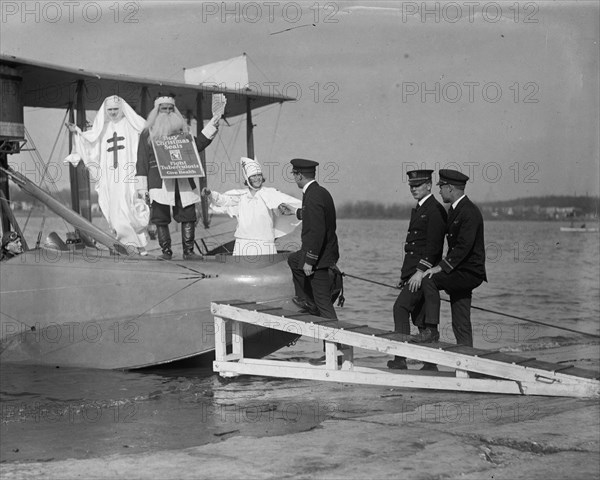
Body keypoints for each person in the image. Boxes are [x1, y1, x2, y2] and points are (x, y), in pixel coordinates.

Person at [135, 94, 222, 260]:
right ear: (157, 111)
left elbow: (199, 145)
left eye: (170, 109)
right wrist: (142, 188)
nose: (167, 112)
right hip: (158, 181)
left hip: (182, 179)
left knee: (188, 214)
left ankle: (188, 251)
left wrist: (212, 125)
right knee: (160, 217)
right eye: (163, 109)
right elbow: (142, 161)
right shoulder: (147, 133)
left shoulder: (183, 131)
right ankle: (166, 251)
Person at [65, 95, 149, 254]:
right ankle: (124, 244)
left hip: (128, 174)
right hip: (110, 176)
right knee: (113, 209)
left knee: (130, 206)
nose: (112, 112)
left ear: (122, 108)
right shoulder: (102, 129)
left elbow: (147, 131)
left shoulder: (131, 125)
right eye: (109, 109)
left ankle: (137, 244)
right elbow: (90, 144)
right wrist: (76, 131)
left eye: (115, 109)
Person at [417, 169, 487, 349]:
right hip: (460, 272)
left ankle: (431, 330)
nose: (439, 191)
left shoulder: (469, 212)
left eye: (441, 187)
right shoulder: (457, 210)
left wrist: (439, 268)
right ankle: (467, 360)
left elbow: (463, 248)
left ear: (450, 188)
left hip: (468, 272)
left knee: (429, 280)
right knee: (461, 320)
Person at [388, 170, 447, 371]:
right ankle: (430, 364)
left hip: (423, 273)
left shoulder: (435, 210)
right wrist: (406, 276)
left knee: (400, 308)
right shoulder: (422, 208)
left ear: (429, 186)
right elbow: (414, 247)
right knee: (420, 316)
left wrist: (420, 271)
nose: (413, 189)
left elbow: (434, 246)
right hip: (414, 273)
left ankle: (401, 358)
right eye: (411, 186)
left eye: (418, 185)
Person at [201, 157, 302, 256]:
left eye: (259, 175)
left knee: (265, 269)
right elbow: (223, 200)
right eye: (253, 176)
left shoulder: (270, 193)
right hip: (243, 242)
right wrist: (210, 193)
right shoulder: (240, 196)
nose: (257, 178)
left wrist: (299, 210)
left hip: (264, 242)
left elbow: (291, 203)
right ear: (247, 179)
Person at [283, 159, 340, 320]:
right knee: (294, 260)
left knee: (324, 305)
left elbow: (316, 231)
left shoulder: (313, 196)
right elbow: (314, 216)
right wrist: (295, 212)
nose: (294, 178)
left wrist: (310, 260)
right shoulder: (319, 192)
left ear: (299, 175)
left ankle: (338, 343)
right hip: (325, 253)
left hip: (320, 258)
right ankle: (308, 301)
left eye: (294, 174)